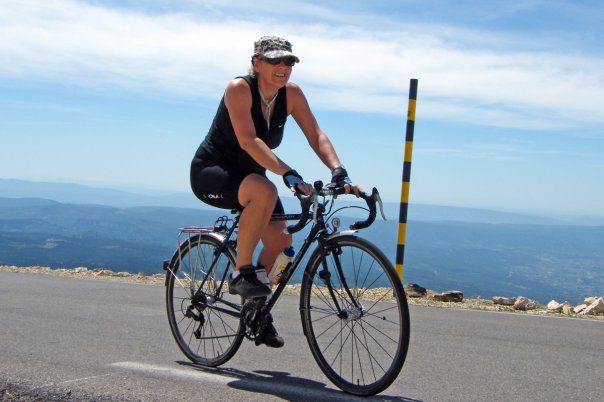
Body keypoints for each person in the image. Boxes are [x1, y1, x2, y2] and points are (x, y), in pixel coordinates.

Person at [190, 36, 361, 347]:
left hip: (255, 177)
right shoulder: (239, 88)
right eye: (276, 60)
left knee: (283, 244)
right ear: (257, 63)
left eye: (289, 62)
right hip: (214, 172)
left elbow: (316, 134)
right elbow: (248, 141)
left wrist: (338, 170)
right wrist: (288, 173)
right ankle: (243, 272)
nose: (284, 67)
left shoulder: (291, 94)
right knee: (265, 190)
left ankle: (255, 311)